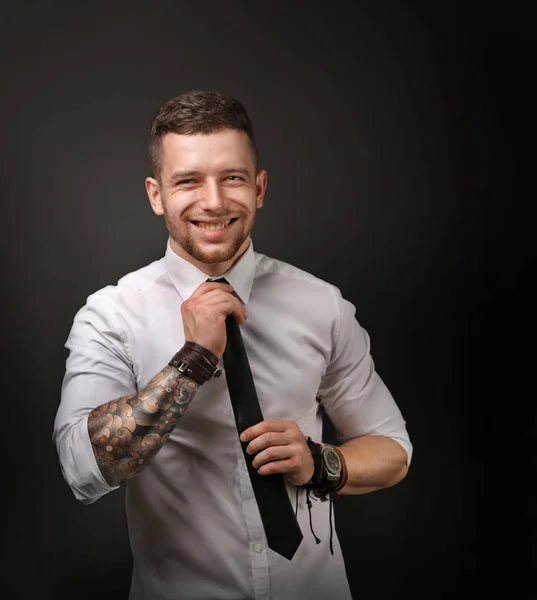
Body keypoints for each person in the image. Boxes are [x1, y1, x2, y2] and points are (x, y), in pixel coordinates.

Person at [53, 90, 412, 600]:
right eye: (188, 181)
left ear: (260, 187)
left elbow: (393, 452)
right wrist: (192, 361)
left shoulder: (322, 305)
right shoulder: (111, 316)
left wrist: (320, 462)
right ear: (156, 195)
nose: (215, 201)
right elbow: (82, 468)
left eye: (233, 178)